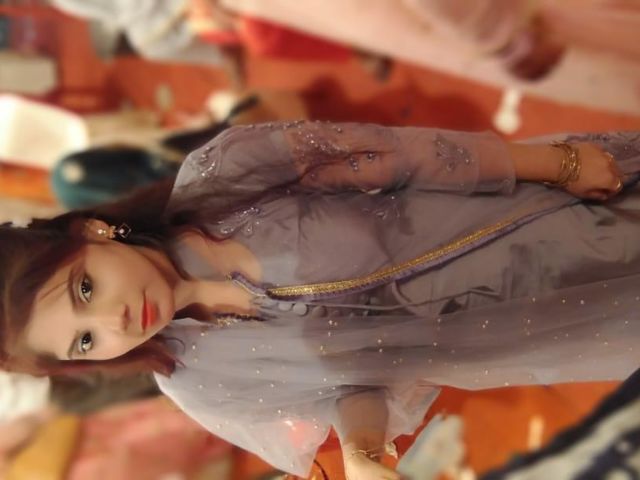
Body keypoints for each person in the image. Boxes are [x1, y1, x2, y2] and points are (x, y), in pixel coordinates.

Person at [0, 121, 639, 480]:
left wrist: (553, 162)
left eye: (85, 289)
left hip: (540, 210)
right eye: (85, 342)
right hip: (537, 324)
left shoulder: (226, 174)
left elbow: (403, 156)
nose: (114, 322)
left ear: (91, 232)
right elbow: (355, 378)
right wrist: (362, 450)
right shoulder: (200, 384)